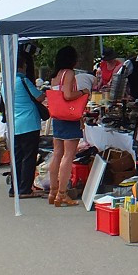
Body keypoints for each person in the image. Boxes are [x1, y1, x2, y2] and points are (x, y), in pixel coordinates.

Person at [47, 46, 89, 207]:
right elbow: (68, 95)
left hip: (57, 116)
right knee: (68, 156)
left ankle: (53, 191)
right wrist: (83, 92)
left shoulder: (55, 76)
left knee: (57, 154)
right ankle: (62, 194)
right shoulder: (69, 73)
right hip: (69, 116)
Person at [10, 51, 46, 199]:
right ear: (22, 66)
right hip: (29, 123)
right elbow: (39, 97)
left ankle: (15, 187)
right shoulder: (24, 81)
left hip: (15, 123)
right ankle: (25, 188)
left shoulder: (6, 82)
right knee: (29, 157)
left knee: (17, 156)